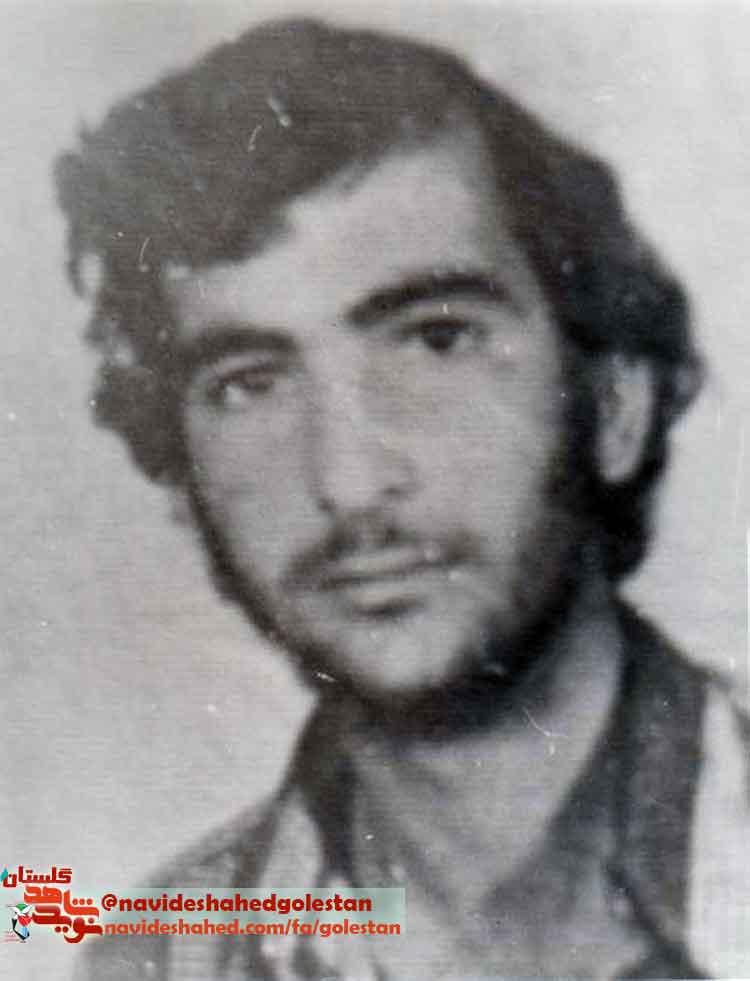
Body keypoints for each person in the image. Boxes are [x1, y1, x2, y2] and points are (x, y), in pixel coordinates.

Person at [57, 16, 747, 980]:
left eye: (436, 340)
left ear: (615, 404)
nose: (347, 483)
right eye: (249, 384)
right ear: (183, 482)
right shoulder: (156, 960)